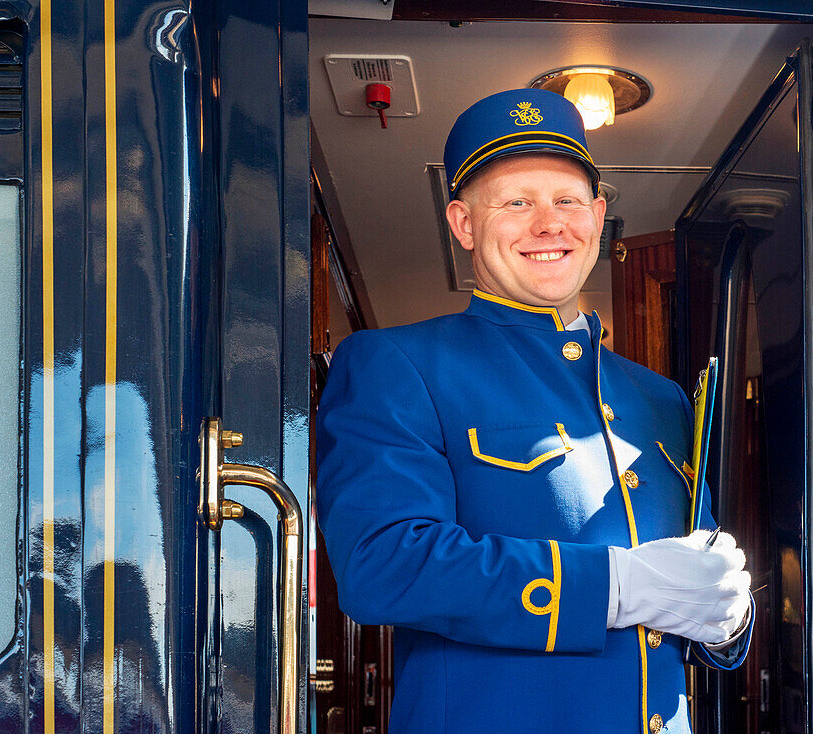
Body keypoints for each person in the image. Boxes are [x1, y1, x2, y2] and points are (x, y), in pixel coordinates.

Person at [316, 88, 753, 734]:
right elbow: (381, 562)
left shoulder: (661, 400)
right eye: (517, 202)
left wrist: (728, 615)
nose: (550, 224)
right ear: (464, 223)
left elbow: (692, 582)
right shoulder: (395, 365)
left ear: (598, 216)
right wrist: (610, 586)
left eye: (567, 201)